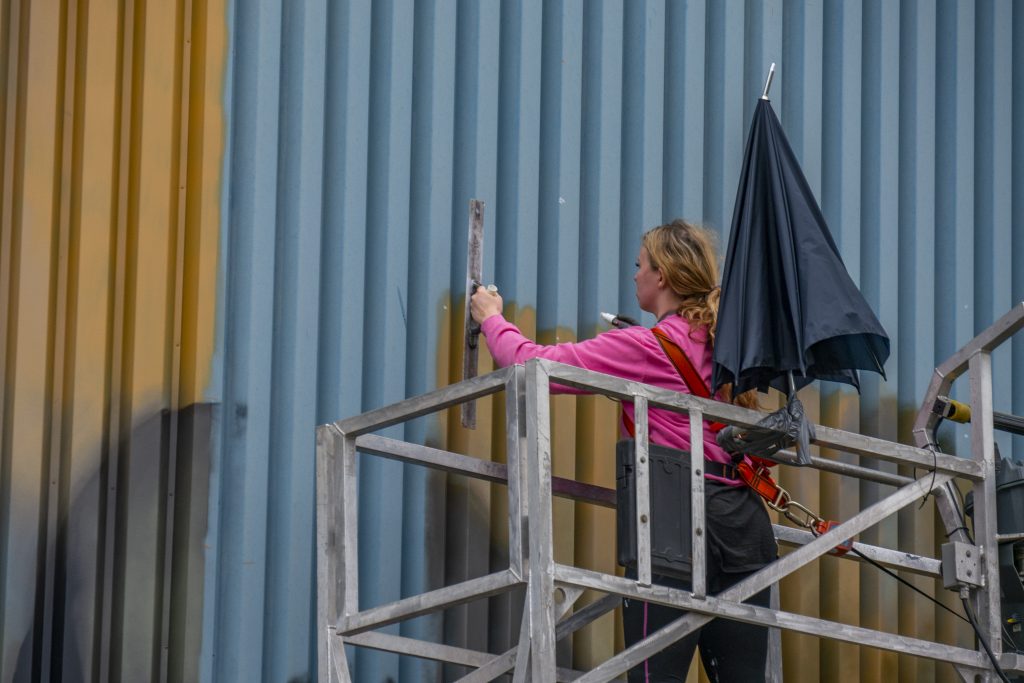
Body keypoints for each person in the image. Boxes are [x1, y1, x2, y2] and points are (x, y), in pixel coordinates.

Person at [470, 219, 777, 682]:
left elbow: (530, 362)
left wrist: (491, 315)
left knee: (655, 676)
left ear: (663, 278)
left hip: (675, 521)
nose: (634, 275)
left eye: (640, 266)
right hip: (746, 525)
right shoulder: (729, 345)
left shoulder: (644, 346)